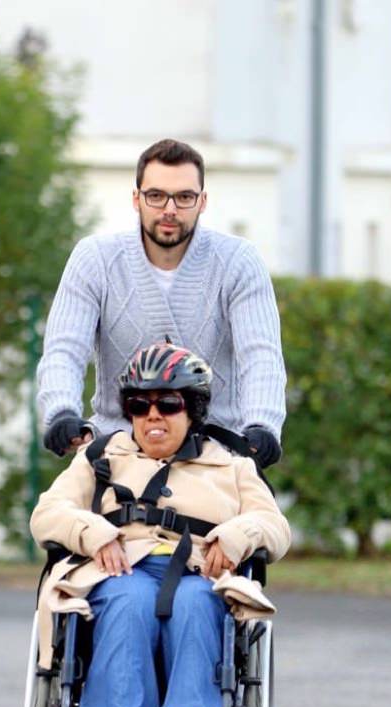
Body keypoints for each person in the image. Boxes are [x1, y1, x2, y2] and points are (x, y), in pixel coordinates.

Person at [29, 341, 291, 707]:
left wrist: (238, 536)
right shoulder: (99, 456)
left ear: (192, 410)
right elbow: (47, 513)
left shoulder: (233, 466)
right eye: (138, 404)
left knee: (196, 600)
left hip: (198, 570)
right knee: (127, 596)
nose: (153, 415)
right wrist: (93, 532)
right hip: (121, 569)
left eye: (168, 403)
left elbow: (274, 525)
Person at [35, 138, 287, 468]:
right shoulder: (94, 259)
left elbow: (261, 355)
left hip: (217, 454)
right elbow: (64, 349)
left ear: (203, 201)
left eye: (184, 197)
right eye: (156, 196)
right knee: (55, 517)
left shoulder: (239, 261)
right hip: (116, 449)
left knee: (260, 521)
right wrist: (61, 412)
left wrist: (262, 425)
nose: (170, 209)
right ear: (137, 199)